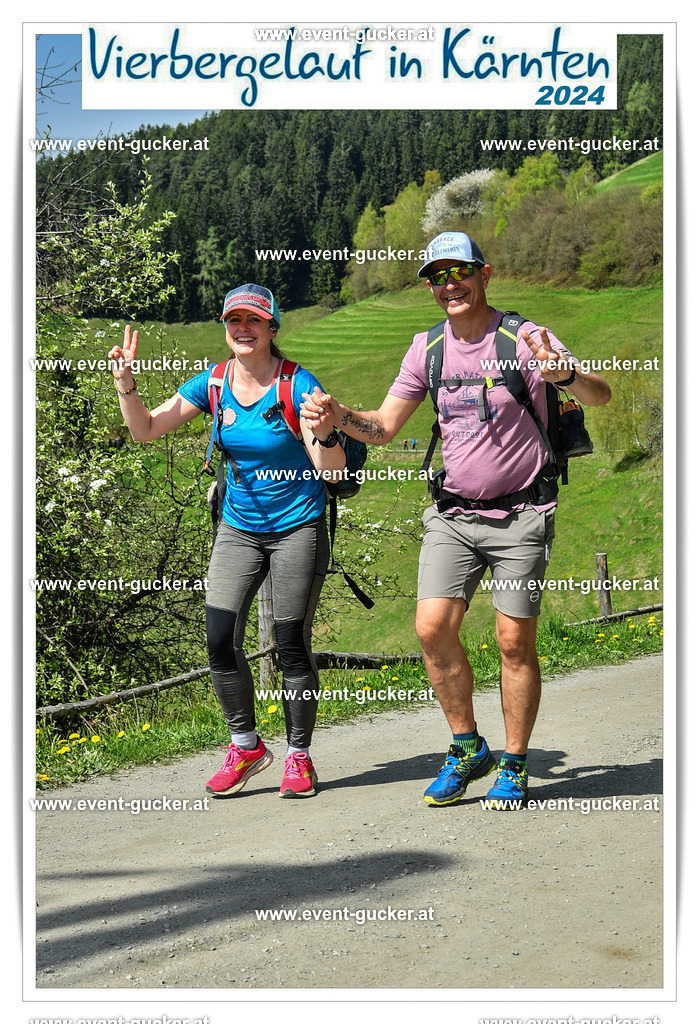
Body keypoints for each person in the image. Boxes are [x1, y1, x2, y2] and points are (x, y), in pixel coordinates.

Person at [302, 232, 611, 809]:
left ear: (484, 273)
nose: (450, 285)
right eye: (438, 277)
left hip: (522, 512)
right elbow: (384, 426)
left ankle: (514, 764)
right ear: (430, 286)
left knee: (513, 639)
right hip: (452, 515)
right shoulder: (427, 350)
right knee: (431, 630)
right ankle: (467, 746)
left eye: (460, 272)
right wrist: (338, 413)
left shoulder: (524, 339)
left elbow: (600, 394)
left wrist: (562, 373)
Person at [109, 283, 345, 799]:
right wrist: (127, 385)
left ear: (272, 329)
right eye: (234, 320)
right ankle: (246, 745)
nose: (242, 329)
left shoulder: (296, 384)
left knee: (289, 646)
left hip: (298, 527)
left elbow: (331, 470)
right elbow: (146, 430)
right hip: (238, 528)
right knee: (219, 639)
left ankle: (299, 756)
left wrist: (326, 433)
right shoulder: (213, 382)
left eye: (253, 321)